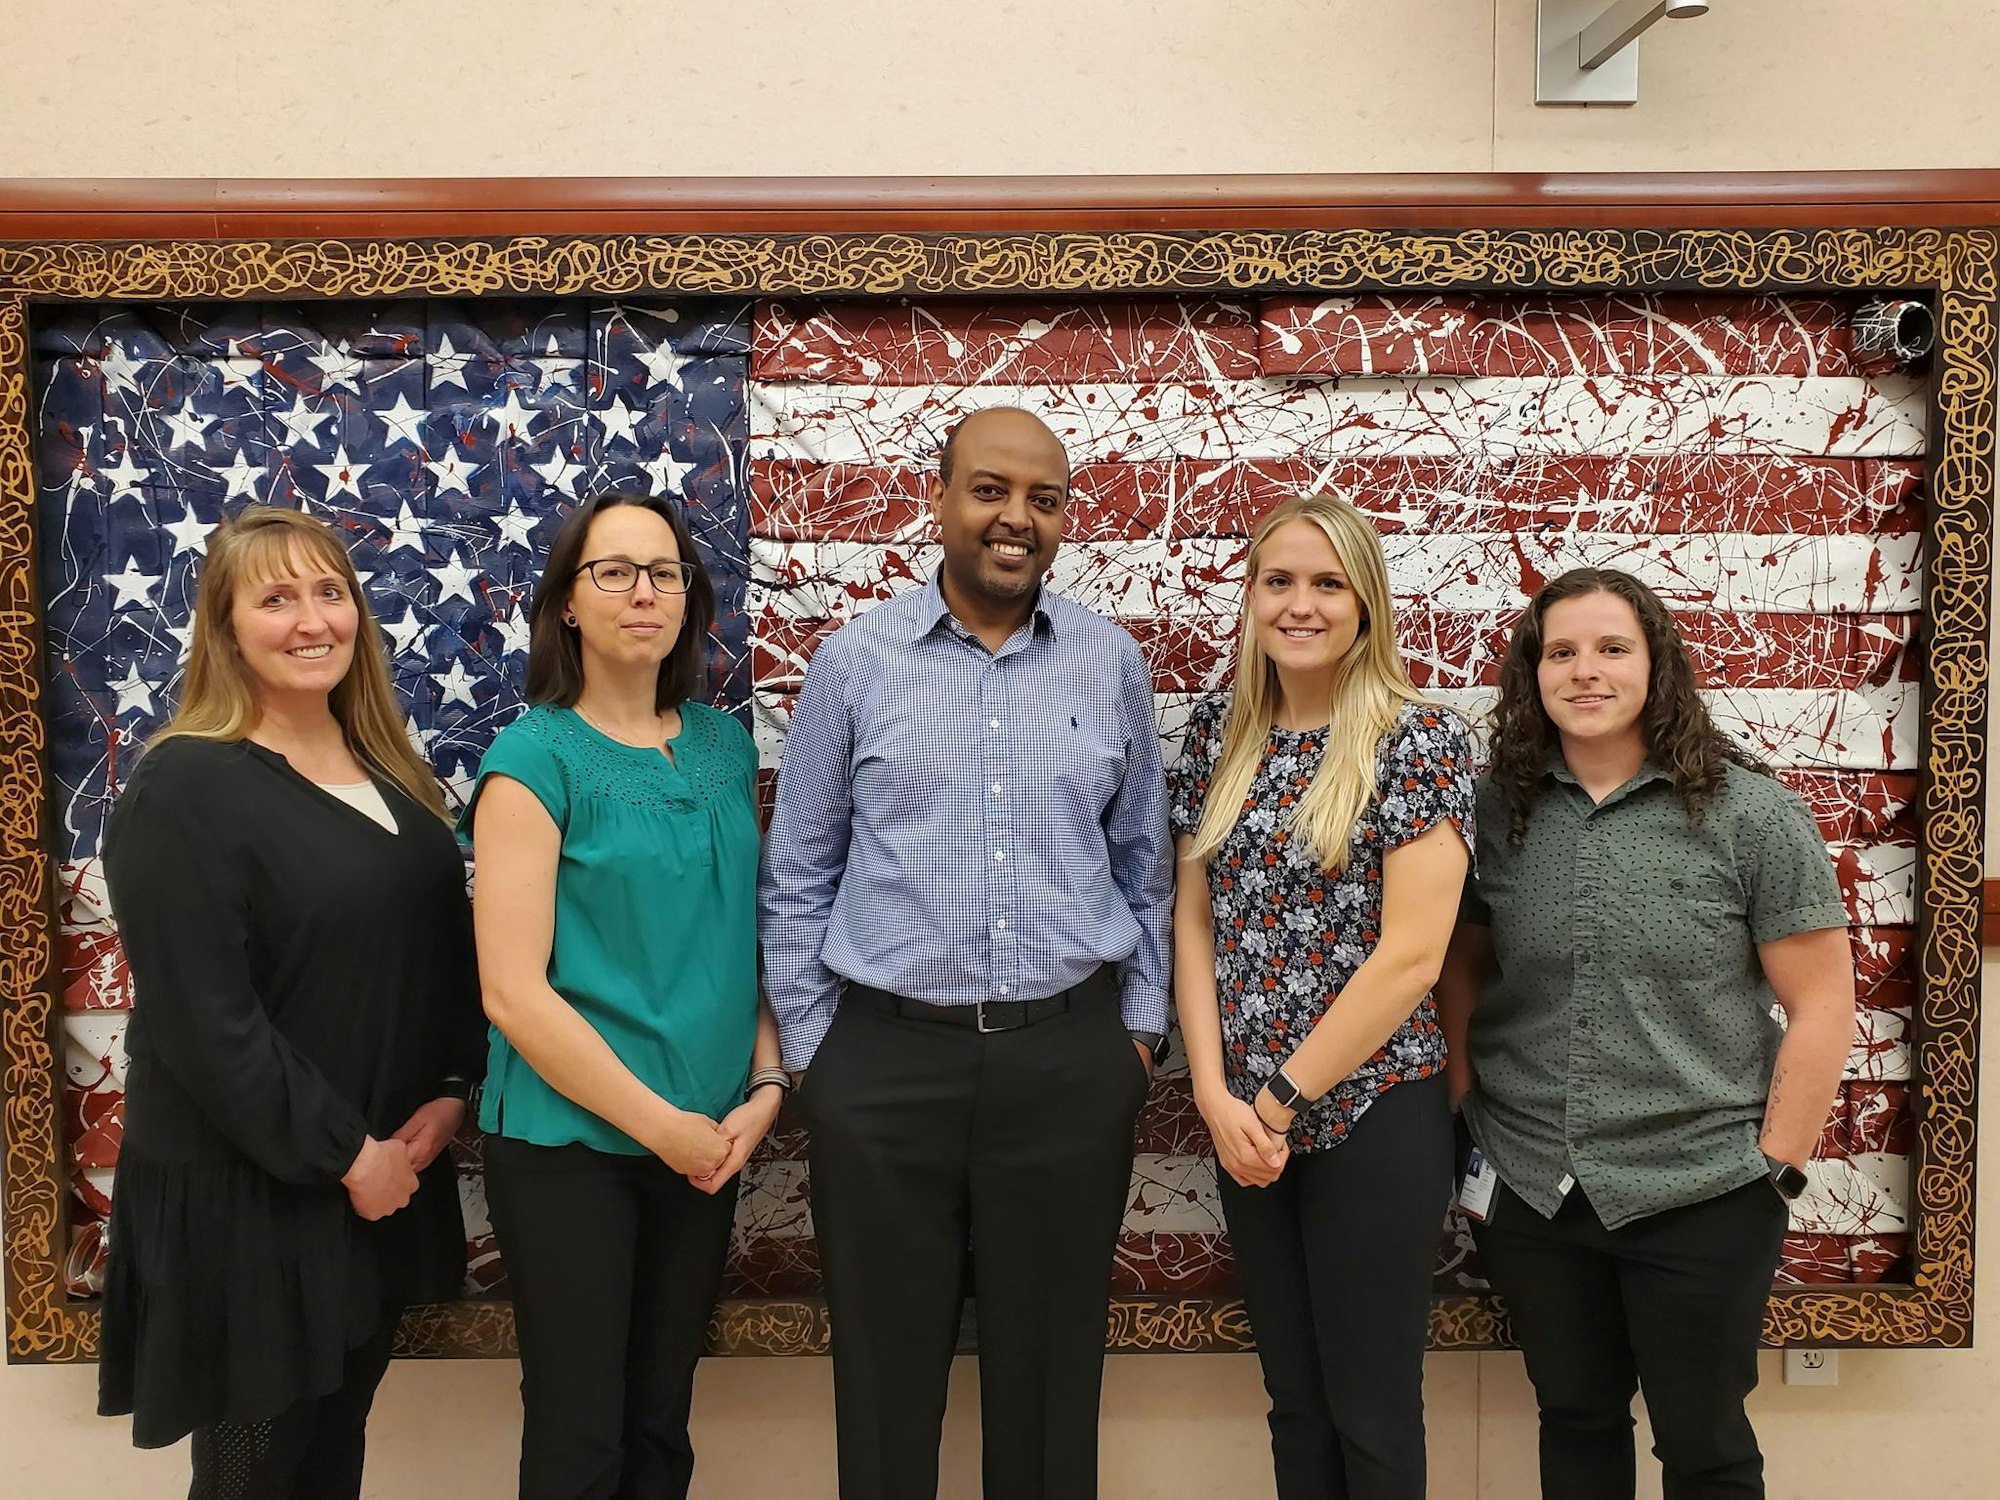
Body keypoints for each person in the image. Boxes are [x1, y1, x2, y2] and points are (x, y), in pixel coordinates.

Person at [759, 406, 1173, 1500]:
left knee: (1048, 1393)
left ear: (1063, 518)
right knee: (884, 1390)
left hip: (1067, 1060)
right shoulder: (853, 664)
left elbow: (1143, 865)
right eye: (989, 490)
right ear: (938, 497)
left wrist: (1134, 1036)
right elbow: (797, 870)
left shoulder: (1107, 662)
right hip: (883, 1067)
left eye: (1043, 499)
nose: (1014, 519)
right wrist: (817, 1056)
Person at [1437, 567, 1856, 1500]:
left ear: (1656, 663)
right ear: (1533, 674)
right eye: (1562, 652)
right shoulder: (1497, 812)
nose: (1586, 671)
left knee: (1704, 1445)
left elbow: (1825, 1002)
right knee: (1576, 1423)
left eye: (1613, 648)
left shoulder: (1750, 813)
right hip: (1537, 1186)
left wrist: (1776, 1167)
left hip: (1702, 1187)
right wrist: (1468, 1101)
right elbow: (1461, 963)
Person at [97, 505, 483, 1500]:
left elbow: (434, 964)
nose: (314, 619)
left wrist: (448, 1090)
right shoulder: (184, 787)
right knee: (253, 1479)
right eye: (276, 598)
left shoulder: (393, 780)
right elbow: (203, 1022)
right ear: (226, 631)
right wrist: (345, 1155)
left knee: (327, 1456)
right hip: (252, 1203)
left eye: (330, 591)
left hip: (375, 1188)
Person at [463, 489, 779, 1500]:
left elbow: (750, 936)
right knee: (580, 1439)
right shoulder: (532, 761)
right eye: (614, 572)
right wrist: (665, 1127)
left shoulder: (727, 748)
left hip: (707, 1148)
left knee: (661, 1429)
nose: (644, 593)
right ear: (565, 601)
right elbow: (512, 995)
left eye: (665, 572)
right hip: (572, 1152)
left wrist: (765, 1089)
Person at [1168, 492, 1473, 1500]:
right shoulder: (1217, 732)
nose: (1300, 604)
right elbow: (1194, 922)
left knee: (1371, 1410)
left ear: (1364, 602)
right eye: (1278, 581)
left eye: (1326, 583)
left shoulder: (1414, 738)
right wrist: (1214, 1094)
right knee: (1293, 1403)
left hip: (1371, 1113)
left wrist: (1278, 1098)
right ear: (1249, 597)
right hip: (1243, 1127)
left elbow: (1411, 959)